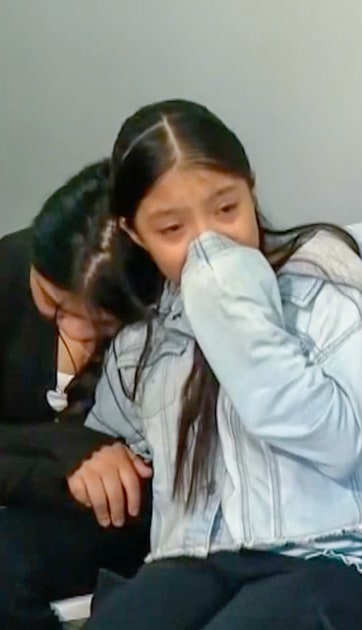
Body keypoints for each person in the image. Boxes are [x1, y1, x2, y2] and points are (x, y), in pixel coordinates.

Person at [73, 99, 362, 629]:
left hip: (329, 556)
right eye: (172, 229)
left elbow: (337, 441)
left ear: (251, 189)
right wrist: (96, 455)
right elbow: (111, 440)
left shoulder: (322, 278)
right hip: (192, 559)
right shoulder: (146, 333)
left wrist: (231, 306)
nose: (209, 243)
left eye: (226, 210)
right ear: (134, 234)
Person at [0, 160, 153, 630]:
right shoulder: (6, 273)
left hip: (127, 514)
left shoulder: (163, 314)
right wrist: (67, 452)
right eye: (53, 304)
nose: (79, 333)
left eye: (101, 321)